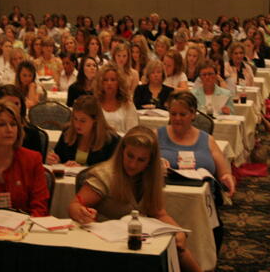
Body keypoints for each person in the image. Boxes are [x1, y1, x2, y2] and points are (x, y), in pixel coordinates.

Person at [69, 126, 202, 272]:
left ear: (150, 162)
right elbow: (75, 205)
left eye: (141, 160)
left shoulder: (151, 177)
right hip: (106, 245)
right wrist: (81, 213)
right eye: (130, 156)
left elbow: (159, 213)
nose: (132, 165)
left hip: (137, 242)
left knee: (178, 247)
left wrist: (179, 232)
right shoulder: (104, 175)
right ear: (122, 152)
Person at [157, 92, 236, 253]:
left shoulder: (207, 139)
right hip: (165, 202)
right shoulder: (157, 136)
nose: (177, 118)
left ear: (193, 114)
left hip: (202, 203)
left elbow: (224, 172)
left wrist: (227, 177)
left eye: (183, 114)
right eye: (173, 114)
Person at [47, 95, 120, 166]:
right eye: (75, 119)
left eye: (83, 121)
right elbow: (59, 157)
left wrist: (81, 169)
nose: (77, 125)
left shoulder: (110, 140)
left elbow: (110, 170)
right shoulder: (67, 132)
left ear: (95, 120)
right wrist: (56, 160)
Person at [0, 85, 44, 157]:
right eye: (8, 103)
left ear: (22, 106)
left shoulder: (33, 133)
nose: (12, 107)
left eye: (16, 104)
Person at [94, 63, 139, 133]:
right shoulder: (95, 104)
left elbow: (133, 132)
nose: (109, 83)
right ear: (100, 83)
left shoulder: (128, 105)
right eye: (105, 80)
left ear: (119, 82)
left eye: (113, 80)